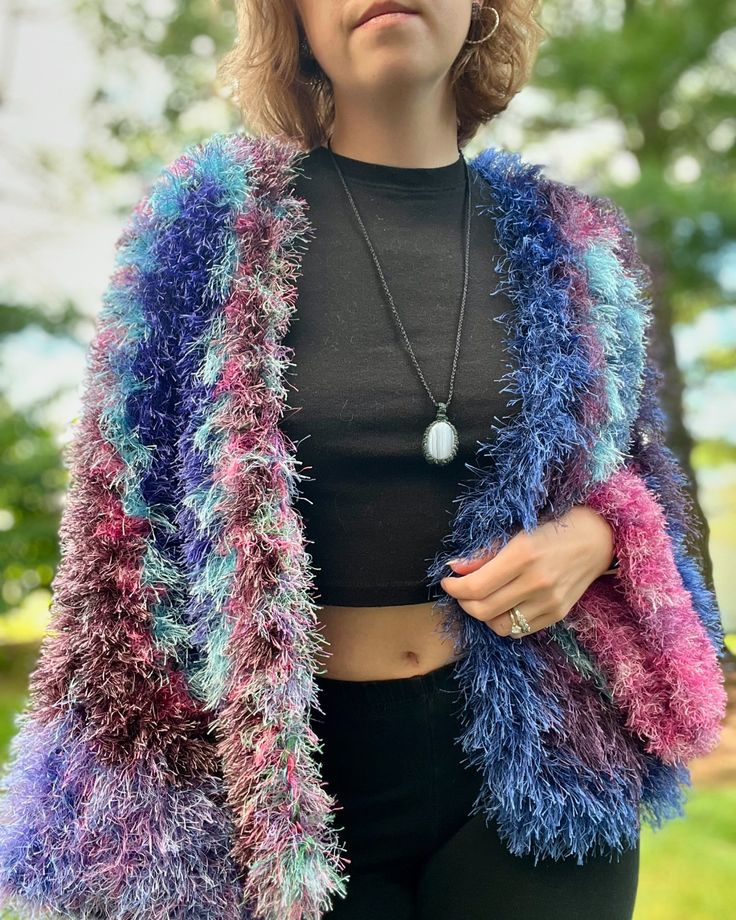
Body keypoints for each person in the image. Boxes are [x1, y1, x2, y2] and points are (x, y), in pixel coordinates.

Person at [0, 2, 727, 920]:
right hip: (281, 788)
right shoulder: (202, 232)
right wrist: (126, 807)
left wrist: (599, 532)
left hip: (545, 758)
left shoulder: (578, 243)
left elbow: (648, 481)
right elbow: (116, 542)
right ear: (292, 18)